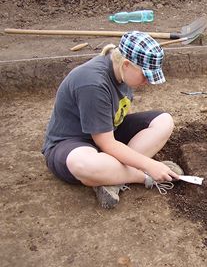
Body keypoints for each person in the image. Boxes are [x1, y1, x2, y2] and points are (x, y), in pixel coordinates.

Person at [42, 31, 183, 209]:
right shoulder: (93, 84)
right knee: (85, 164)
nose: (147, 82)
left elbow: (109, 137)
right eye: (145, 75)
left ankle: (112, 177)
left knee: (164, 121)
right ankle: (141, 176)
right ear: (126, 64)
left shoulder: (120, 71)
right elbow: (107, 144)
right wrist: (150, 167)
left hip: (108, 131)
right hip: (72, 144)